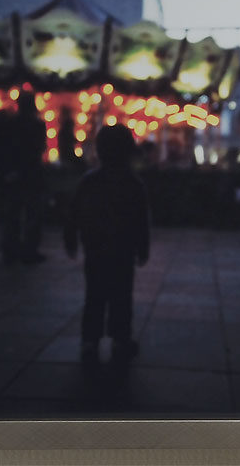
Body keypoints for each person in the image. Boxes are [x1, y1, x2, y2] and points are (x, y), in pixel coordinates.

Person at [64, 124, 150, 367]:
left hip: (95, 249)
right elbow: (141, 221)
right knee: (121, 297)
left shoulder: (89, 181)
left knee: (94, 296)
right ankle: (120, 339)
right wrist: (143, 247)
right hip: (123, 251)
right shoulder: (134, 184)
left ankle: (89, 341)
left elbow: (74, 213)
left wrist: (71, 239)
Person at [0, 91, 47, 264]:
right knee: (32, 213)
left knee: (13, 213)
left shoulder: (9, 125)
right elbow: (40, 148)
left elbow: (3, 148)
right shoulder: (37, 125)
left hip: (15, 173)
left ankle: (11, 250)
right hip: (31, 173)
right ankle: (29, 250)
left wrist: (7, 171)